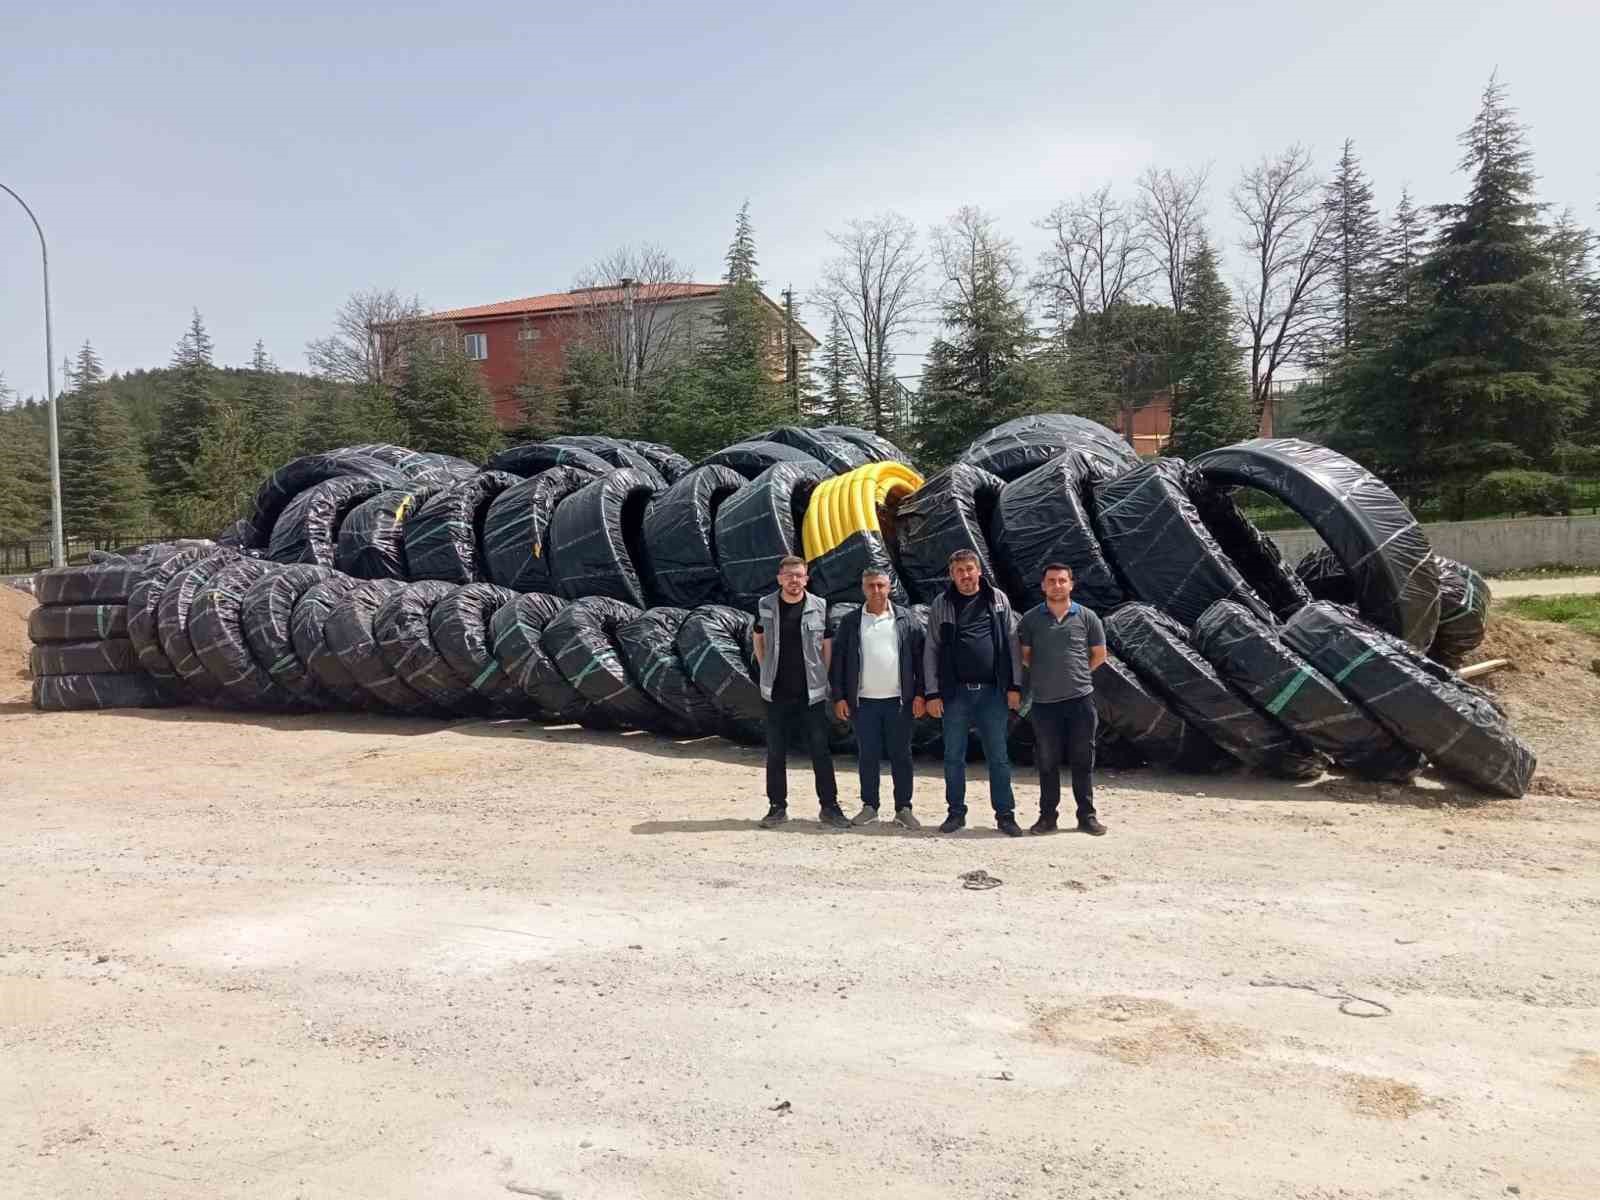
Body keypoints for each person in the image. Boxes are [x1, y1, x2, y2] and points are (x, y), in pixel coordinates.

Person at [923, 548, 1025, 836]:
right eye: (959, 571)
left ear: (979, 570)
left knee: (998, 757)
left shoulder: (998, 599)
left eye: (969, 569)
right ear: (951, 574)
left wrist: (1015, 686)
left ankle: (1005, 815)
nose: (965, 575)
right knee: (953, 757)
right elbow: (931, 648)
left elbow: (1012, 644)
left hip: (993, 694)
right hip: (954, 694)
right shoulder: (942, 603)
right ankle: (956, 813)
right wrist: (932, 693)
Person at [754, 555, 847, 830]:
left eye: (799, 575)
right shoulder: (766, 604)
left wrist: (821, 675)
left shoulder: (819, 605)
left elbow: (826, 644)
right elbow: (759, 637)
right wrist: (765, 667)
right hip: (776, 693)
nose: (794, 580)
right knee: (776, 751)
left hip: (811, 694)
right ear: (779, 578)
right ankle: (777, 807)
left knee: (820, 750)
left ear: (806, 579)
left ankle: (829, 807)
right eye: (789, 575)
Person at [829, 568, 926, 829]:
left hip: (899, 702)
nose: (876, 590)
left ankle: (904, 808)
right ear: (863, 589)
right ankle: (869, 807)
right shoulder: (851, 622)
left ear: (889, 587)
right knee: (868, 756)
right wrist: (839, 697)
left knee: (901, 756)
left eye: (881, 585)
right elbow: (838, 661)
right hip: (863, 703)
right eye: (871, 586)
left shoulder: (906, 619)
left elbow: (921, 661)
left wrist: (920, 694)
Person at [1017, 563, 1108, 836]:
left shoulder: (1087, 617)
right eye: (1051, 581)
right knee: (1047, 762)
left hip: (1081, 701)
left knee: (1083, 760)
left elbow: (1099, 654)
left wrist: (1077, 675)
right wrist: (1048, 676)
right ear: (1043, 586)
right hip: (1044, 704)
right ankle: (1047, 817)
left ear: (1071, 584)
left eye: (1062, 580)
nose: (1057, 585)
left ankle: (1087, 816)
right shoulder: (1031, 619)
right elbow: (1025, 656)